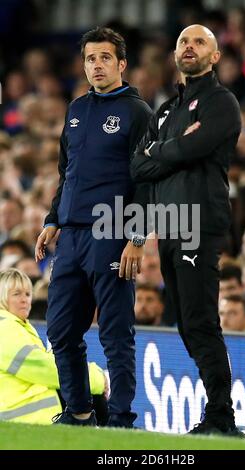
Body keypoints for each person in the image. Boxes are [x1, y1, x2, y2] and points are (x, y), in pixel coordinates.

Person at [35, 27, 152, 427]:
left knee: (115, 333)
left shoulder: (138, 113)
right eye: (90, 58)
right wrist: (53, 218)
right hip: (71, 236)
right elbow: (67, 172)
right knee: (62, 330)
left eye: (104, 58)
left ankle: (120, 421)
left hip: (112, 233)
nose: (96, 65)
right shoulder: (76, 109)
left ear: (121, 64)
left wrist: (136, 238)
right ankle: (80, 411)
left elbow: (147, 182)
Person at [131, 25, 243, 435]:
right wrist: (168, 149)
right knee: (185, 320)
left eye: (199, 42)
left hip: (198, 220)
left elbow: (194, 147)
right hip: (169, 224)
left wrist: (158, 150)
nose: (189, 47)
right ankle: (217, 412)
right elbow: (137, 168)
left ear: (215, 56)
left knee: (199, 319)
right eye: (183, 42)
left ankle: (221, 416)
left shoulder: (221, 102)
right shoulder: (163, 111)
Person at [0, 268, 107, 425]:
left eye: (28, 294)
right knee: (87, 391)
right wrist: (96, 378)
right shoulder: (5, 328)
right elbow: (45, 368)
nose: (24, 300)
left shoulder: (19, 326)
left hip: (24, 415)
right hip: (25, 417)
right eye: (16, 294)